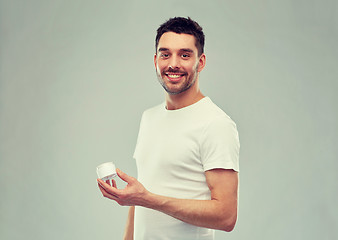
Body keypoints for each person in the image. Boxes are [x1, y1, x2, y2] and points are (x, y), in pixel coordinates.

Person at [97, 17, 240, 240]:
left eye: (184, 55)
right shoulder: (149, 117)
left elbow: (226, 216)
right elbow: (140, 198)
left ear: (200, 62)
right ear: (155, 60)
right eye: (165, 54)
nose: (173, 64)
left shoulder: (215, 124)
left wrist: (147, 199)